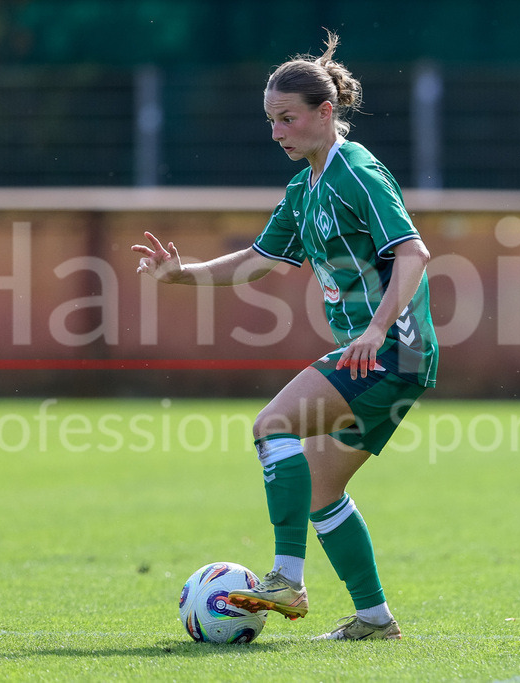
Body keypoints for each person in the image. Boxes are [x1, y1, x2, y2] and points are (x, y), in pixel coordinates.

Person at [132, 31, 438, 641]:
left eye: (287, 119)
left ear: (326, 113)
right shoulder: (305, 189)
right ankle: (375, 620)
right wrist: (180, 276)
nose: (277, 132)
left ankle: (286, 580)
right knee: (322, 491)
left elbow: (413, 253)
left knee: (272, 426)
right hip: (388, 358)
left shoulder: (358, 172)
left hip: (391, 352)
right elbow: (259, 260)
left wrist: (377, 329)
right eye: (271, 120)